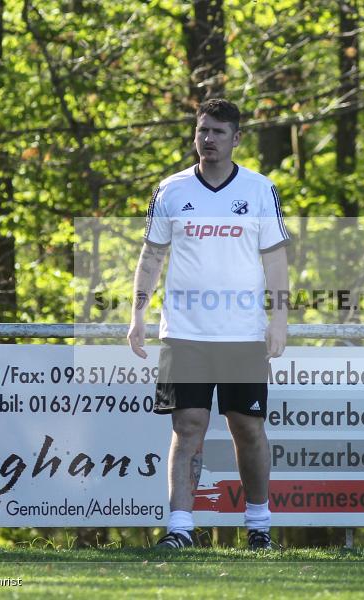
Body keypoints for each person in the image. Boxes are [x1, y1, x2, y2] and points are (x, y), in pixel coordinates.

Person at [128, 98, 290, 550]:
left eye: (219, 132)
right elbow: (152, 255)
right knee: (188, 425)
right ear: (194, 135)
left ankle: (258, 525)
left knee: (247, 428)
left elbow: (275, 258)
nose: (209, 139)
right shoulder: (172, 190)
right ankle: (180, 528)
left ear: (236, 138)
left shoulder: (259, 190)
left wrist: (279, 320)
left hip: (242, 334)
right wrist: (137, 313)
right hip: (184, 333)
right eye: (203, 131)